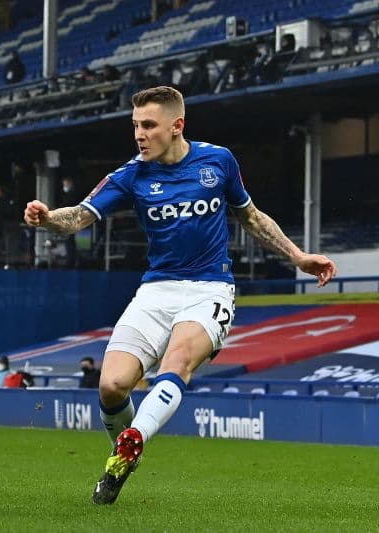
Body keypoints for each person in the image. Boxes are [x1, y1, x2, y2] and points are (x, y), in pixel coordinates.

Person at [23, 86, 336, 505]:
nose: (139, 134)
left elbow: (251, 217)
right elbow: (78, 216)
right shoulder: (131, 175)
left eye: (148, 125)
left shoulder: (218, 161)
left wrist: (298, 256)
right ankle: (125, 456)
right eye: (135, 125)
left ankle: (137, 436)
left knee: (178, 361)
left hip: (209, 289)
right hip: (155, 291)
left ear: (177, 126)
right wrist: (46, 219)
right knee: (112, 386)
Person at [57, 177, 80, 268]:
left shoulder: (72, 196)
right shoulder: (66, 196)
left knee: (70, 242)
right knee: (69, 242)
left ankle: (71, 261)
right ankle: (71, 260)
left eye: (66, 184)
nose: (64, 186)